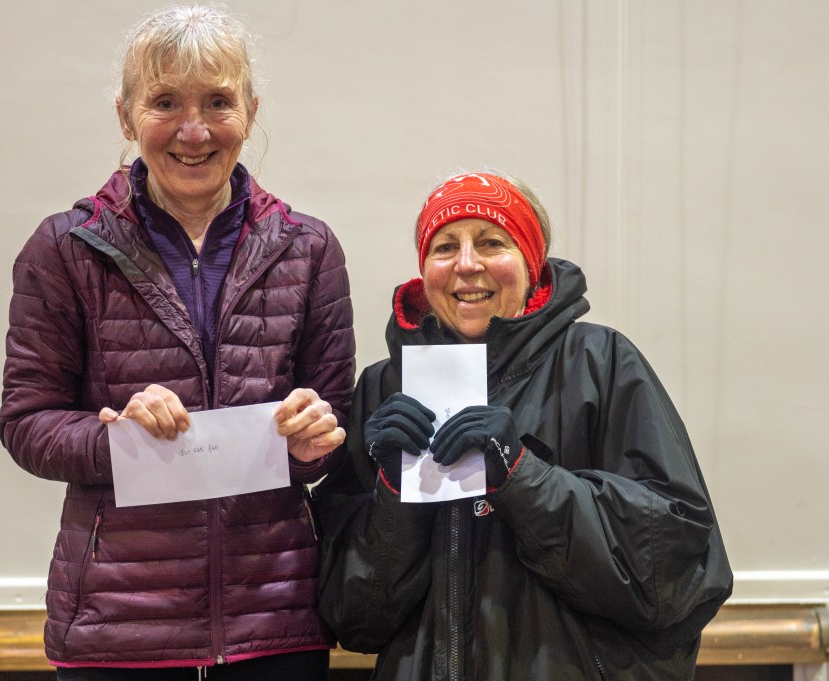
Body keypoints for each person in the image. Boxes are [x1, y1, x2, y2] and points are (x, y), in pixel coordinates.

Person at [0, 6, 354, 679]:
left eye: (218, 101)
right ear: (126, 116)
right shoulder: (65, 249)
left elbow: (333, 425)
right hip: (118, 627)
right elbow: (26, 423)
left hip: (275, 623)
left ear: (250, 111)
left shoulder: (309, 248)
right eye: (165, 103)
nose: (194, 130)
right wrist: (117, 438)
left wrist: (315, 436)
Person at [313, 170, 732, 680]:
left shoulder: (601, 362)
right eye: (445, 247)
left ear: (531, 263)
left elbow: (677, 574)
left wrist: (522, 474)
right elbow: (353, 620)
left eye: (492, 242)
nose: (467, 264)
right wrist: (393, 495)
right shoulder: (384, 386)